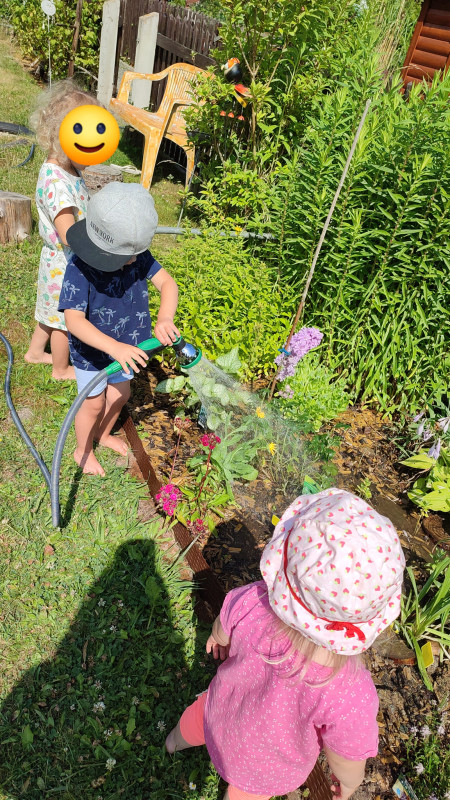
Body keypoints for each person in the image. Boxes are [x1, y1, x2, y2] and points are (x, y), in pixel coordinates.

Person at [166, 488, 406, 800]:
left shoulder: (253, 601)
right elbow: (345, 758)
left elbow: (223, 625)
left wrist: (218, 638)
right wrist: (349, 781)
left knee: (194, 720)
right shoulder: (350, 691)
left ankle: (171, 743)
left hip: (219, 710)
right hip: (262, 766)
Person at [58, 182, 179, 476]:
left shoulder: (137, 256)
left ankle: (102, 433)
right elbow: (73, 321)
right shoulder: (79, 267)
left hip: (129, 347)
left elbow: (167, 283)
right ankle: (82, 450)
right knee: (93, 403)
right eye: (127, 255)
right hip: (94, 353)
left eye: (138, 252)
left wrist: (164, 318)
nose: (135, 260)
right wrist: (113, 348)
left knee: (120, 396)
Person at [25, 79, 102, 379]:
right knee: (61, 318)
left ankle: (34, 352)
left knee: (48, 309)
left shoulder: (68, 169)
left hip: (61, 260)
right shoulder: (56, 182)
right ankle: (61, 368)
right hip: (64, 261)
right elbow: (68, 232)